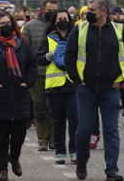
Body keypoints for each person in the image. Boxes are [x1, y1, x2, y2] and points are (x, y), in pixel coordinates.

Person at [65, 0, 124, 181]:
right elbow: (69, 56)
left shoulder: (119, 30)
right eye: (88, 9)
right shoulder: (79, 29)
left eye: (92, 10)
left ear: (104, 12)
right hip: (86, 89)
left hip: (110, 89)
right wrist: (77, 81)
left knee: (111, 130)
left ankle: (111, 170)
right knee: (83, 129)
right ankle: (82, 162)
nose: (88, 13)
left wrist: (120, 81)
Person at [0, 11, 38, 181]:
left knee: (19, 134)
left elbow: (33, 66)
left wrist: (27, 82)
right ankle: (2, 170)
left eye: (7, 23)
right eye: (1, 24)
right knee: (1, 137)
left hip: (20, 96)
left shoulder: (22, 45)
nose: (5, 26)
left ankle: (14, 156)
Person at [37, 9, 78, 165]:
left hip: (72, 84)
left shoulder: (75, 37)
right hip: (55, 86)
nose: (63, 21)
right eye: (60, 18)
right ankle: (60, 152)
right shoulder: (49, 39)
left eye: (65, 18)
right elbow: (39, 59)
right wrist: (51, 54)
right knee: (58, 120)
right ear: (55, 21)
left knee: (74, 119)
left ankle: (74, 151)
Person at [21, 0, 57, 151]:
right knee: (39, 108)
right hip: (37, 75)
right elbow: (24, 51)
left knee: (54, 109)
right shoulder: (29, 27)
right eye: (49, 10)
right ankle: (42, 138)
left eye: (54, 10)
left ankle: (54, 139)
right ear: (43, 9)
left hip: (56, 75)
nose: (52, 13)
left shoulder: (60, 26)